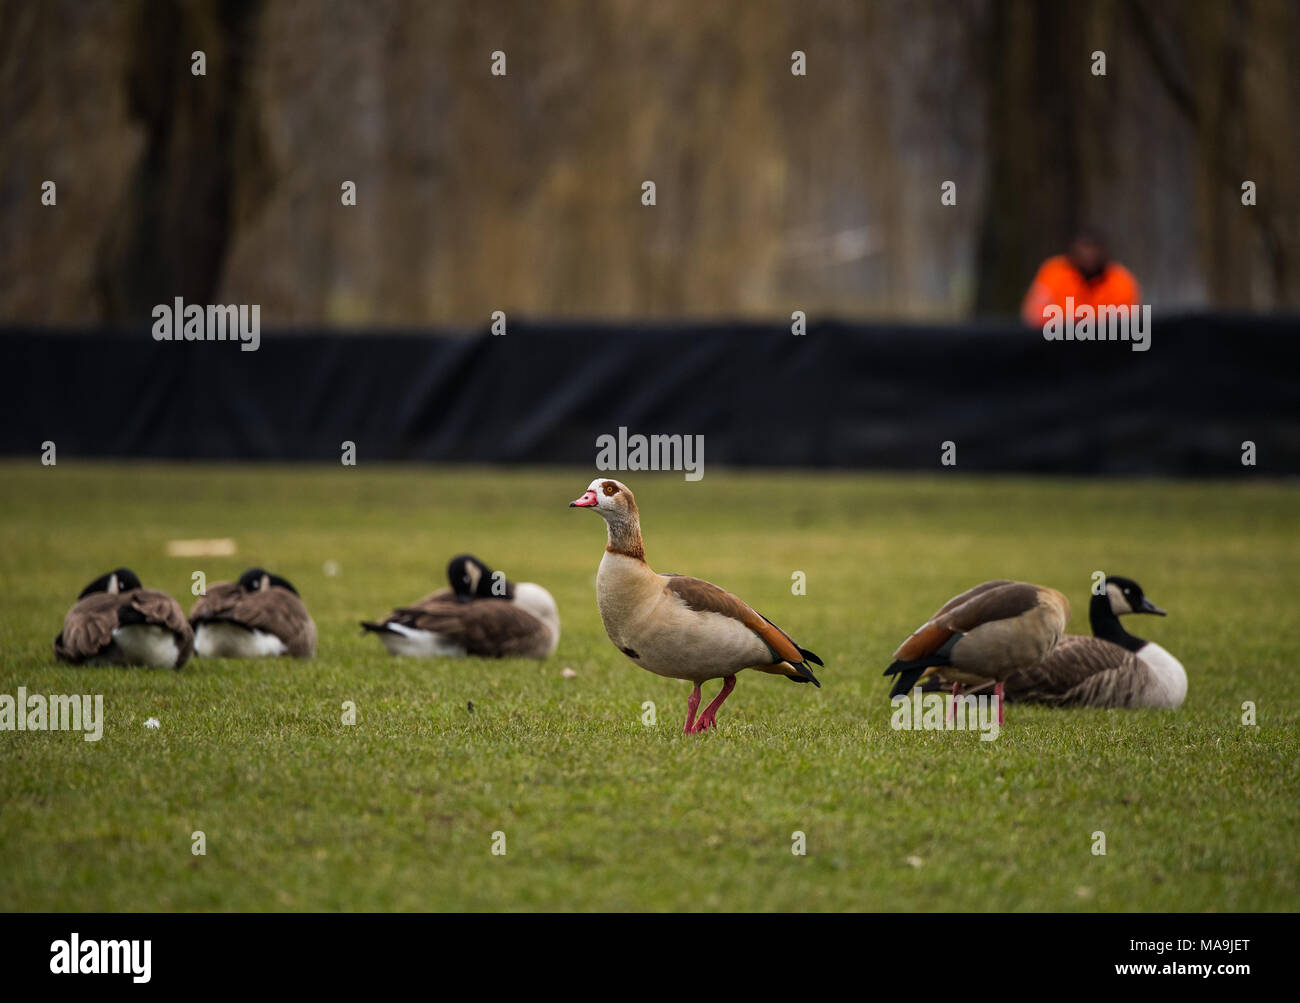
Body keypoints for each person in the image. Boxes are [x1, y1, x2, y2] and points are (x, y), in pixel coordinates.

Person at [1020, 230, 1141, 327]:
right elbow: (1033, 316)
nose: (1089, 256)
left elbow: (1131, 323)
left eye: (1094, 249)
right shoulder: (1054, 272)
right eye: (1084, 249)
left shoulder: (1120, 279)